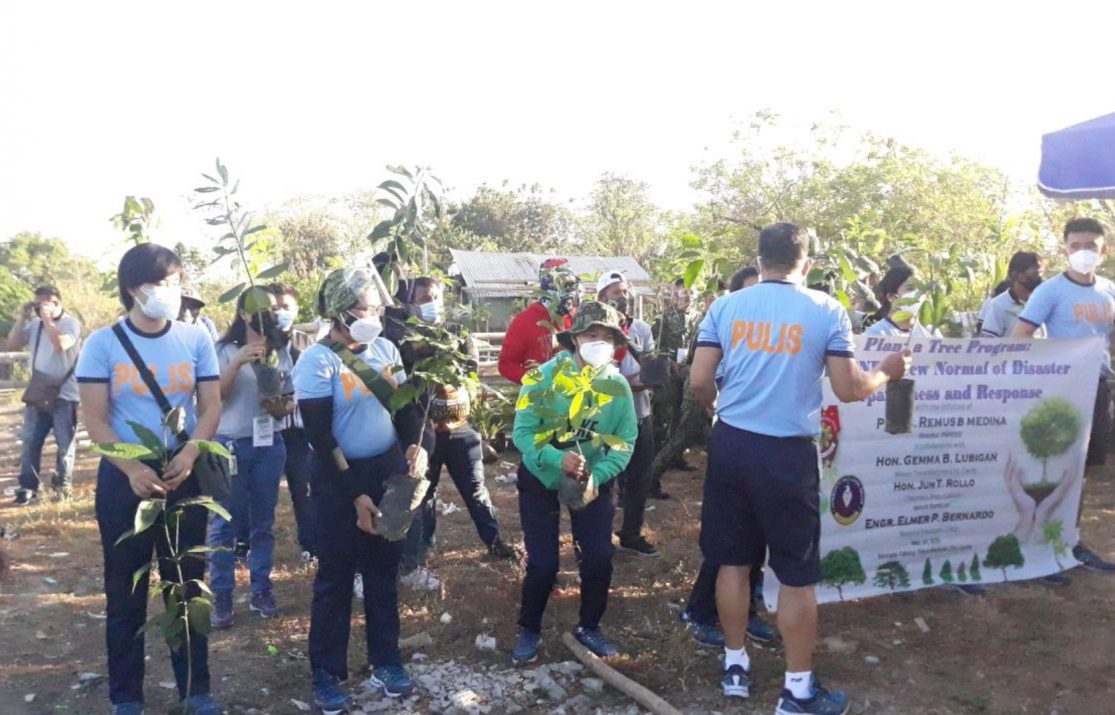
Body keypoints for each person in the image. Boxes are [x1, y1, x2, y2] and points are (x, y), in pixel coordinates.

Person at [691, 222, 907, 713]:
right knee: (795, 574)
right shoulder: (825, 309)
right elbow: (849, 389)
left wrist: (717, 407)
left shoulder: (725, 307)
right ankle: (797, 690)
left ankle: (734, 665)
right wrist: (886, 373)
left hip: (732, 444)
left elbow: (699, 379)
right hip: (787, 454)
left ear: (758, 260)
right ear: (806, 263)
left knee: (732, 561)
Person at [76, 243, 223, 715]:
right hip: (126, 479)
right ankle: (126, 697)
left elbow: (211, 406)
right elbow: (95, 418)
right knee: (126, 591)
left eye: (175, 282)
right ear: (133, 289)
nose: (170, 292)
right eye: (160, 283)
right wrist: (131, 468)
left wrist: (192, 451)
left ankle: (195, 690)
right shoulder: (103, 344)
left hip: (183, 475)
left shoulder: (195, 338)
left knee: (187, 585)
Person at [293, 268, 429, 710]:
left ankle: (386, 660)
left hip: (386, 471)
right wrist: (355, 495)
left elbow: (404, 409)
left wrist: (415, 446)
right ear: (338, 312)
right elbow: (320, 437)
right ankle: (326, 671)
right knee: (335, 576)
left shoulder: (386, 349)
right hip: (337, 480)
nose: (371, 316)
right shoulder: (317, 361)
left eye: (374, 308)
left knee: (382, 571)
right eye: (361, 309)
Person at [510, 300, 637, 664]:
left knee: (598, 556)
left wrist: (597, 476)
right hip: (541, 477)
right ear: (575, 339)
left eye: (607, 337)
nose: (599, 342)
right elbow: (523, 433)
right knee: (544, 563)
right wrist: (556, 458)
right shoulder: (543, 378)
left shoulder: (617, 387)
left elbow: (625, 441)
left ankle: (590, 626)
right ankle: (529, 628)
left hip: (591, 479)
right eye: (591, 334)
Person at [393, 277, 518, 592]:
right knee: (424, 493)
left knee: (475, 490)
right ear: (410, 303)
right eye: (424, 298)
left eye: (435, 296)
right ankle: (423, 548)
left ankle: (494, 540)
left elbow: (470, 368)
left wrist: (450, 362)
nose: (431, 303)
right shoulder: (404, 338)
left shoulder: (457, 333)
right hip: (426, 433)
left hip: (460, 430)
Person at [1013, 217, 1115, 574]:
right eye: (1075, 246)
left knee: (1082, 471)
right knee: (1052, 468)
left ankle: (1070, 542)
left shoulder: (1109, 290)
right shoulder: (1050, 291)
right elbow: (1019, 337)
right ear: (1064, 250)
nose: (1083, 252)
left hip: (1098, 388)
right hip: (1061, 392)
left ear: (1104, 250)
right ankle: (1036, 548)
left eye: (1091, 246)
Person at [207, 288, 293, 628]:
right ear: (243, 313)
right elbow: (214, 396)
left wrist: (280, 406)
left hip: (269, 444)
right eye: (259, 308)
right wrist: (238, 362)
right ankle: (221, 595)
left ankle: (261, 590)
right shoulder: (223, 350)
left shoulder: (280, 350)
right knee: (223, 523)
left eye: (272, 307)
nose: (267, 313)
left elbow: (289, 398)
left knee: (263, 523)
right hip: (230, 444)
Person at [598, 271, 660, 558]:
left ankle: (631, 533)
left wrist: (656, 375)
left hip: (640, 413)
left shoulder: (642, 328)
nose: (622, 297)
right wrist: (627, 384)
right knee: (604, 478)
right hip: (606, 418)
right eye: (615, 292)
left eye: (624, 292)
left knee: (640, 477)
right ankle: (598, 535)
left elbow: (651, 364)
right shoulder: (597, 333)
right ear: (603, 297)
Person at [7, 285, 82, 504]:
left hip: (64, 394)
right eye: (37, 305)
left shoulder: (71, 323)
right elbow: (13, 343)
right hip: (39, 392)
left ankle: (62, 486)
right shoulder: (36, 325)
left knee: (64, 443)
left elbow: (60, 345)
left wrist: (48, 320)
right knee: (30, 440)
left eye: (45, 304)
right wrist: (22, 317)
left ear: (57, 302)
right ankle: (28, 486)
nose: (40, 309)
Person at [270, 283, 317, 562]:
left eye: (285, 306)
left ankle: (311, 544)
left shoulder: (308, 344)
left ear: (296, 309)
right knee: (260, 494)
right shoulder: (259, 343)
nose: (280, 312)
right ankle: (246, 545)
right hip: (267, 431)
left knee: (304, 490)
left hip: (300, 432)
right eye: (274, 307)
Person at [498, 258, 579, 384]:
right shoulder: (524, 322)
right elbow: (506, 364)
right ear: (548, 287)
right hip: (540, 394)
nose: (568, 291)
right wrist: (537, 380)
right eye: (562, 285)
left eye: (571, 285)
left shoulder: (578, 318)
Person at [651, 279, 701, 476]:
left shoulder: (699, 318)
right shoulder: (663, 318)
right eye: (681, 293)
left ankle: (676, 456)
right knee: (664, 415)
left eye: (690, 293)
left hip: (689, 372)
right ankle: (656, 460)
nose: (686, 297)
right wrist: (670, 363)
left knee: (682, 416)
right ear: (673, 295)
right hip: (668, 373)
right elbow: (655, 346)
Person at [978, 252, 1044, 338]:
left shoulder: (1042, 303)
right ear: (1017, 275)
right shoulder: (998, 306)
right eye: (1035, 274)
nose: (1039, 278)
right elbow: (988, 342)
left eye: (1040, 273)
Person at [863, 265, 940, 338]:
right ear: (891, 297)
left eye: (920, 288)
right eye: (910, 288)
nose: (918, 294)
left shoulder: (930, 332)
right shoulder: (874, 334)